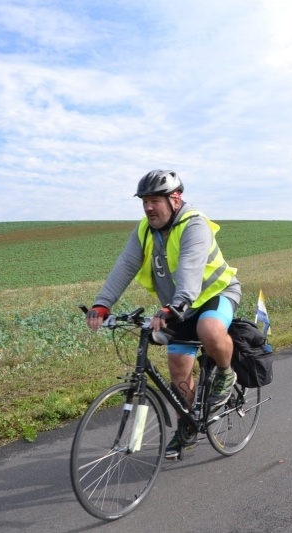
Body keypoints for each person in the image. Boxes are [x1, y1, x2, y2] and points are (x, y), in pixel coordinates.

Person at [85, 170, 242, 460]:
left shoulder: (195, 224)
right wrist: (102, 304)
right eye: (144, 201)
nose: (148, 208)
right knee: (178, 369)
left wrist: (175, 305)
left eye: (155, 201)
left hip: (215, 295)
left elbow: (190, 267)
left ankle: (225, 372)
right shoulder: (145, 230)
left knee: (209, 330)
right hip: (179, 306)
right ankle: (187, 427)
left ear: (175, 199)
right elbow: (126, 264)